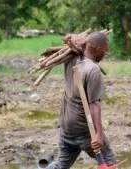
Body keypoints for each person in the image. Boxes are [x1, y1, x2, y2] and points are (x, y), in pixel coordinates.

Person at [46, 32, 117, 169]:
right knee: (109, 163)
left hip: (66, 127)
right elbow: (94, 104)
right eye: (105, 50)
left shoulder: (71, 58)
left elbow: (69, 37)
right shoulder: (93, 69)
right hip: (84, 129)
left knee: (61, 165)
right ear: (97, 49)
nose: (106, 54)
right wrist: (99, 134)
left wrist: (77, 38)